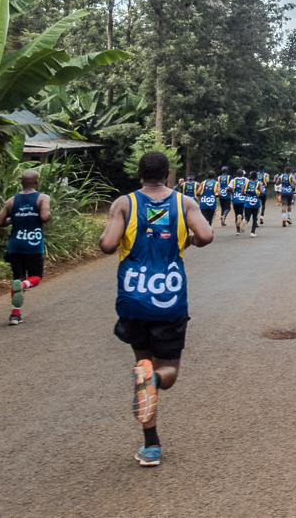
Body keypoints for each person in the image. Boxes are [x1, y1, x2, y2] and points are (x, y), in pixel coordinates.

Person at [100, 150, 213, 467]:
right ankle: (155, 381)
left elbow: (108, 245)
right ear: (167, 174)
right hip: (170, 299)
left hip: (133, 298)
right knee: (168, 372)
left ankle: (151, 445)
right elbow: (206, 234)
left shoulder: (125, 203)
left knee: (143, 365)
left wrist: (113, 232)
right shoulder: (184, 202)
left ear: (139, 173)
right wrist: (187, 241)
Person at [0, 169, 52, 326]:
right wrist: (48, 215)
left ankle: (15, 315)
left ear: (21, 182)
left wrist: (13, 219)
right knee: (36, 277)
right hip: (33, 245)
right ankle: (25, 284)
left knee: (17, 279)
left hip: (15, 246)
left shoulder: (11, 201)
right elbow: (45, 217)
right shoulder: (42, 198)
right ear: (36, 182)